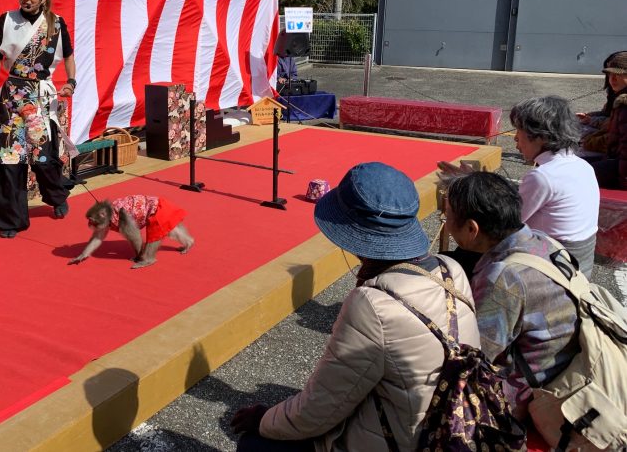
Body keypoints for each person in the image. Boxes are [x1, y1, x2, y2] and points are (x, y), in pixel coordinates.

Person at [230, 162, 479, 451]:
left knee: (254, 444)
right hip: (452, 423)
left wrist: (263, 419)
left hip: (403, 441)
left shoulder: (372, 303)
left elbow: (317, 410)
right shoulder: (451, 268)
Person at [441, 172, 579, 423]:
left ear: (472, 229)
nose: (446, 222)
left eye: (447, 215)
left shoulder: (503, 278)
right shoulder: (542, 241)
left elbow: (475, 354)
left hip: (533, 394)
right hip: (564, 365)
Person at [440, 95, 599, 278]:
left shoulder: (544, 176)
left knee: (457, 257)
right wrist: (473, 178)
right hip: (576, 265)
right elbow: (516, 199)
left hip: (549, 269)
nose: (515, 138)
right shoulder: (582, 166)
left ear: (540, 136)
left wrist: (467, 185)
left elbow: (503, 220)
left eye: (519, 131)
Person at [0, 0, 77, 239]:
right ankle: (10, 220)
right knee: (9, 158)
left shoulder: (56, 24)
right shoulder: (6, 20)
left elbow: (68, 57)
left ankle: (57, 196)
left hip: (41, 97)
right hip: (12, 97)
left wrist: (71, 82)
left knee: (43, 158)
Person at [69, 195, 194, 268]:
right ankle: (188, 242)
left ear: (102, 215)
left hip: (157, 210)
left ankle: (148, 259)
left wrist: (139, 256)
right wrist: (84, 254)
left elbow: (135, 238)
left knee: (155, 234)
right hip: (156, 204)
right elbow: (96, 237)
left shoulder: (120, 217)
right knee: (170, 229)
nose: (91, 225)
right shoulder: (108, 217)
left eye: (92, 221)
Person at [590, 50, 627, 190]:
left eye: (618, 75)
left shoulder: (625, 105)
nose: (612, 79)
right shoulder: (620, 99)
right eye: (610, 75)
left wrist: (623, 184)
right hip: (614, 160)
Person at [576, 52, 619, 157]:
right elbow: (607, 114)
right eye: (609, 73)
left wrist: (587, 141)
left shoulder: (622, 101)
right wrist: (589, 117)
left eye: (616, 74)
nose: (611, 78)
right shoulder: (614, 92)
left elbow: (614, 135)